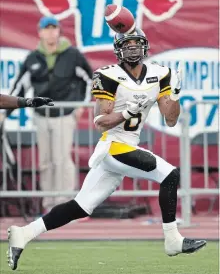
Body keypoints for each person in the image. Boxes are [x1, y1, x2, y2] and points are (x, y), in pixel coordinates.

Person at [7, 28, 206, 271]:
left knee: (80, 207)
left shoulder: (160, 74)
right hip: (112, 146)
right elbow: (100, 120)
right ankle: (172, 239)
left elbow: (171, 120)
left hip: (127, 147)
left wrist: (174, 94)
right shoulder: (107, 75)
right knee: (170, 174)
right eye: (127, 44)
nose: (133, 48)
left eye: (136, 43)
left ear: (145, 46)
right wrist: (128, 112)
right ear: (118, 50)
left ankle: (24, 233)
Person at [9, 16, 93, 213]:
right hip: (40, 116)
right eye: (46, 29)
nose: (50, 32)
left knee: (62, 159)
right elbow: (19, 88)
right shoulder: (32, 58)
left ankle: (65, 205)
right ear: (39, 32)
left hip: (64, 114)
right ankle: (49, 205)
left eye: (53, 28)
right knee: (45, 161)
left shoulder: (73, 55)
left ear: (59, 31)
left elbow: (91, 79)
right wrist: (5, 112)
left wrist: (81, 105)